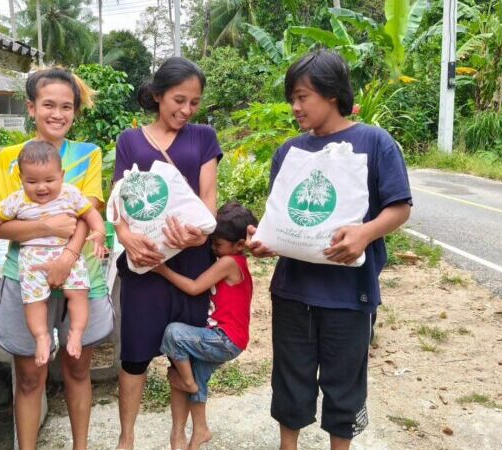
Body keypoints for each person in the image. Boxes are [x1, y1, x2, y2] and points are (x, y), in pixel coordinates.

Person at [247, 50, 412, 450]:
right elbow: (283, 215)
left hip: (348, 296)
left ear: (332, 94)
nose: (295, 106)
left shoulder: (374, 142)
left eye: (303, 96)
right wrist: (265, 240)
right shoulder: (289, 152)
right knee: (289, 378)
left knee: (343, 383)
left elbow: (400, 206)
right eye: (293, 97)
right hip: (293, 290)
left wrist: (365, 233)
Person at [0, 68, 114, 450]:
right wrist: (49, 225)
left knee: (78, 370)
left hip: (81, 277)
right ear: (31, 108)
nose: (57, 113)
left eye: (66, 106)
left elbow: (88, 214)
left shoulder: (88, 154)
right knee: (30, 375)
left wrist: (67, 255)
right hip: (25, 278)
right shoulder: (9, 159)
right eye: (48, 105)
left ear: (75, 111)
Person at [113, 57, 222, 450]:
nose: (186, 110)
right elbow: (119, 206)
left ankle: (179, 434)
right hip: (145, 265)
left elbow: (209, 200)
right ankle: (127, 439)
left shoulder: (204, 137)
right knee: (135, 356)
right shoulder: (130, 141)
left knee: (183, 352)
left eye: (194, 102)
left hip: (192, 263)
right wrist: (127, 239)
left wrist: (199, 234)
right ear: (157, 95)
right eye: (179, 99)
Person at [0, 140, 108, 366]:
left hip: (69, 258)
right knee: (34, 302)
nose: (41, 187)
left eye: (49, 180)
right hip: (33, 261)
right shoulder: (17, 200)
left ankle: (76, 332)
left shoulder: (71, 194)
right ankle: (41, 337)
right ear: (21, 178)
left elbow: (90, 214)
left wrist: (99, 232)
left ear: (62, 175)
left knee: (78, 294)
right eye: (32, 181)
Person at [153, 202, 257, 450]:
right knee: (197, 373)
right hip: (230, 339)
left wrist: (162, 270)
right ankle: (200, 430)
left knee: (173, 333)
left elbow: (194, 287)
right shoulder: (233, 258)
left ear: (239, 245)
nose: (213, 248)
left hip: (225, 338)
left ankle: (187, 383)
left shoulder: (229, 262)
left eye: (218, 245)